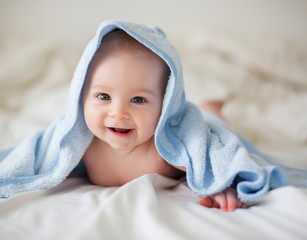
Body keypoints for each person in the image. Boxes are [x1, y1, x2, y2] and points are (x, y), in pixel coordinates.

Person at [81, 29, 247, 212]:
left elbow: (213, 158)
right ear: (81, 96)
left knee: (214, 121)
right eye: (104, 96)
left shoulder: (167, 147)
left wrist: (222, 185)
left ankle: (210, 109)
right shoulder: (83, 143)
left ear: (164, 106)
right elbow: (47, 154)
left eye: (138, 100)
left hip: (206, 121)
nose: (118, 113)